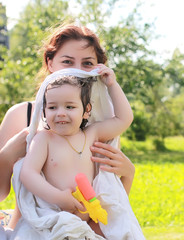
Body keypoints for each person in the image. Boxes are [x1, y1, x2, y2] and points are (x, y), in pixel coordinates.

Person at [0, 23, 135, 230]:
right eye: (67, 61)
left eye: (88, 63)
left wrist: (128, 173)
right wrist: (7, 156)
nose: (77, 70)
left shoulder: (96, 122)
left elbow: (109, 197)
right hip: (36, 228)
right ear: (50, 62)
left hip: (89, 229)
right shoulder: (23, 115)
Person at [20, 69, 131, 236]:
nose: (60, 113)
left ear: (86, 110)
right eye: (52, 107)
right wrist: (58, 197)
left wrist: (112, 85)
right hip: (56, 216)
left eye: (70, 106)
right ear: (44, 111)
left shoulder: (92, 134)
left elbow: (124, 119)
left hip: (91, 216)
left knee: (118, 233)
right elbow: (28, 174)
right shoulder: (44, 140)